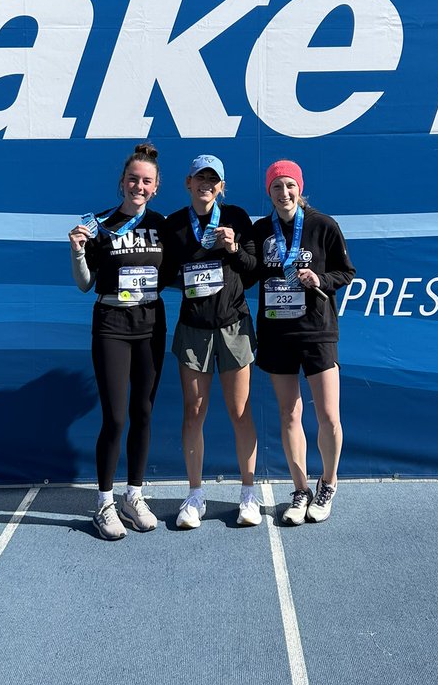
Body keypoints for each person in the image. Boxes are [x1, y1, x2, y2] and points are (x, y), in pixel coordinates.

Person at [69, 142, 173, 541]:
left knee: (143, 412)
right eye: (133, 179)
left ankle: (134, 495)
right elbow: (84, 284)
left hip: (151, 322)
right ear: (122, 182)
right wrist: (78, 252)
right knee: (115, 417)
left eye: (146, 181)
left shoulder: (164, 225)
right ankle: (104, 503)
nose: (139, 186)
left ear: (156, 186)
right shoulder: (99, 225)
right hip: (111, 321)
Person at [252, 160, 355, 524]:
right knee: (288, 413)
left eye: (289, 186)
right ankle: (300, 489)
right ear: (269, 191)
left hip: (317, 331)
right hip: (277, 332)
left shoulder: (323, 225)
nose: (284, 193)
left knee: (328, 415)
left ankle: (328, 483)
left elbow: (347, 271)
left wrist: (321, 279)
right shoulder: (261, 229)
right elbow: (249, 269)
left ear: (300, 188)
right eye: (277, 187)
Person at [165, 154, 260, 529]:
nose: (205, 183)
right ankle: (195, 496)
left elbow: (253, 271)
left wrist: (234, 248)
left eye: (213, 179)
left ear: (221, 186)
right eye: (199, 177)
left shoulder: (236, 217)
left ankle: (249, 494)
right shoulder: (174, 224)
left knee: (240, 412)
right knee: (194, 412)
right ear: (188, 183)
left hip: (234, 325)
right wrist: (187, 274)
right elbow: (164, 273)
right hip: (193, 327)